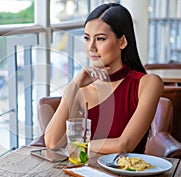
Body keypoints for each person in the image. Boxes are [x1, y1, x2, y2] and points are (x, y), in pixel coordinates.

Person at [44, 3, 163, 154]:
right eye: (87, 38)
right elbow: (52, 142)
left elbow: (124, 145)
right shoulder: (82, 90)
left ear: (122, 42)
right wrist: (73, 86)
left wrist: (76, 145)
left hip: (129, 175)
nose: (91, 47)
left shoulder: (148, 83)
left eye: (100, 39)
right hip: (84, 173)